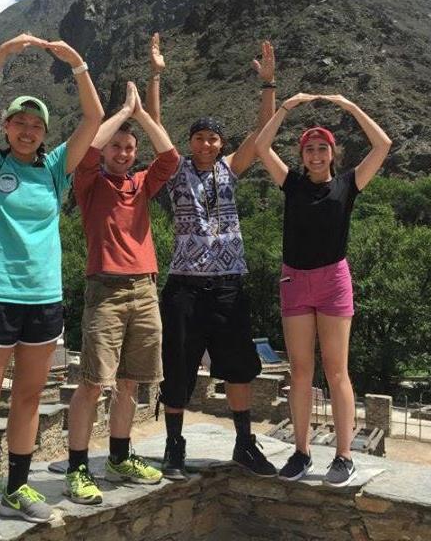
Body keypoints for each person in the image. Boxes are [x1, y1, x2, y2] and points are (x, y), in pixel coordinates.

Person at [0, 34, 104, 540]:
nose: (27, 130)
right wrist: (3, 54)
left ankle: (17, 488)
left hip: (43, 298)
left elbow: (93, 119)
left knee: (27, 398)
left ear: (45, 134)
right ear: (7, 126)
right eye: (19, 121)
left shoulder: (55, 170)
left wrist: (79, 63)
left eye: (36, 124)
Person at [147, 34, 278, 479]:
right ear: (191, 142)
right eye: (199, 138)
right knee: (178, 367)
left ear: (222, 144)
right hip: (184, 284)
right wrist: (156, 76)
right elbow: (155, 125)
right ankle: (174, 446)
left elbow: (262, 134)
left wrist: (267, 84)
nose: (206, 144)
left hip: (228, 285)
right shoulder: (175, 170)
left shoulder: (230, 169)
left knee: (238, 365)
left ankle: (244, 442)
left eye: (213, 138)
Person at [255, 93, 391, 486]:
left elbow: (383, 145)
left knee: (336, 371)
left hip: (333, 280)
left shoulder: (349, 185)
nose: (315, 155)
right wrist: (286, 107)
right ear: (302, 157)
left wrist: (349, 106)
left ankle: (344, 456)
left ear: (333, 154)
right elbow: (261, 145)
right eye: (309, 149)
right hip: (294, 280)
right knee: (300, 371)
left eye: (322, 149)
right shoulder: (292, 184)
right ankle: (301, 453)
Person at [66, 80, 179, 503]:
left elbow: (169, 157)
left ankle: (118, 456)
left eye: (129, 149)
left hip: (146, 288)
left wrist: (141, 116)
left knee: (131, 383)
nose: (123, 153)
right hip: (106, 290)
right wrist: (121, 114)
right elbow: (88, 152)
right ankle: (77, 468)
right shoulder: (89, 183)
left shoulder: (141, 185)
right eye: (117, 147)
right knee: (94, 381)